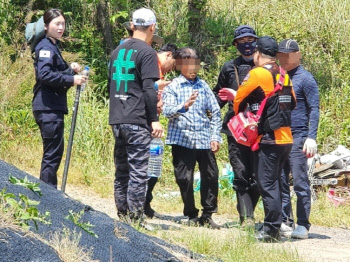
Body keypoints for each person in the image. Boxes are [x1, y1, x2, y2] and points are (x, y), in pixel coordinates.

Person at [233, 36, 296, 242]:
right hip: (286, 137)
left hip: (268, 138)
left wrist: (242, 115)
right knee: (276, 182)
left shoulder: (258, 73)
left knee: (266, 184)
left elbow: (238, 98)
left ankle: (271, 230)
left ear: (258, 54)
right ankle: (274, 224)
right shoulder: (284, 75)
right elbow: (292, 102)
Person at [108, 8, 163, 222]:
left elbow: (111, 85)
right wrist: (154, 119)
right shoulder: (148, 52)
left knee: (121, 170)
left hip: (117, 118)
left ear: (132, 26)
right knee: (139, 172)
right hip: (137, 119)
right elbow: (149, 89)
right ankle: (135, 219)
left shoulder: (117, 51)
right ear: (152, 27)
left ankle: (122, 214)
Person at [162, 48, 222, 229]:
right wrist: (184, 105)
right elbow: (167, 111)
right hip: (182, 139)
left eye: (196, 64)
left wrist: (215, 136)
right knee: (184, 178)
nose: (193, 68)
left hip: (204, 139)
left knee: (211, 176)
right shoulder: (173, 86)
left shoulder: (203, 86)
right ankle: (191, 213)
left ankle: (208, 214)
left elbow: (216, 112)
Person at [32, 8, 87, 189]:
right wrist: (72, 79)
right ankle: (48, 198)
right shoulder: (45, 47)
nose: (61, 27)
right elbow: (45, 75)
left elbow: (54, 74)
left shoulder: (52, 45)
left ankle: (49, 194)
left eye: (63, 24)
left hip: (51, 107)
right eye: (57, 24)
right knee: (52, 154)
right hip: (47, 108)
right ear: (46, 26)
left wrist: (70, 70)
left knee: (54, 152)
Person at [213, 25, 259, 227]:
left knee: (259, 176)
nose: (247, 45)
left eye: (250, 40)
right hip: (236, 128)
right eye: (242, 42)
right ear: (236, 44)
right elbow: (219, 97)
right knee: (240, 172)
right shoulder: (229, 67)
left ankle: (250, 212)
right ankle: (246, 218)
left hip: (260, 128)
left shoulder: (265, 68)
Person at [277, 39, 320, 239]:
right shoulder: (279, 76)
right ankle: (286, 221)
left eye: (288, 54)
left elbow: (314, 109)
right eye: (281, 54)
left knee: (300, 182)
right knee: (281, 181)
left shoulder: (306, 79)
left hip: (298, 136)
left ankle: (303, 224)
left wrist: (311, 137)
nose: (284, 58)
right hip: (280, 135)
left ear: (297, 54)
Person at [144, 43, 178, 218]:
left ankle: (145, 203)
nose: (173, 68)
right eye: (173, 63)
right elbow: (146, 89)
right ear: (169, 55)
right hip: (145, 122)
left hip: (152, 122)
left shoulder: (160, 70)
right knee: (145, 165)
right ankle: (138, 205)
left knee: (153, 166)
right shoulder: (151, 63)